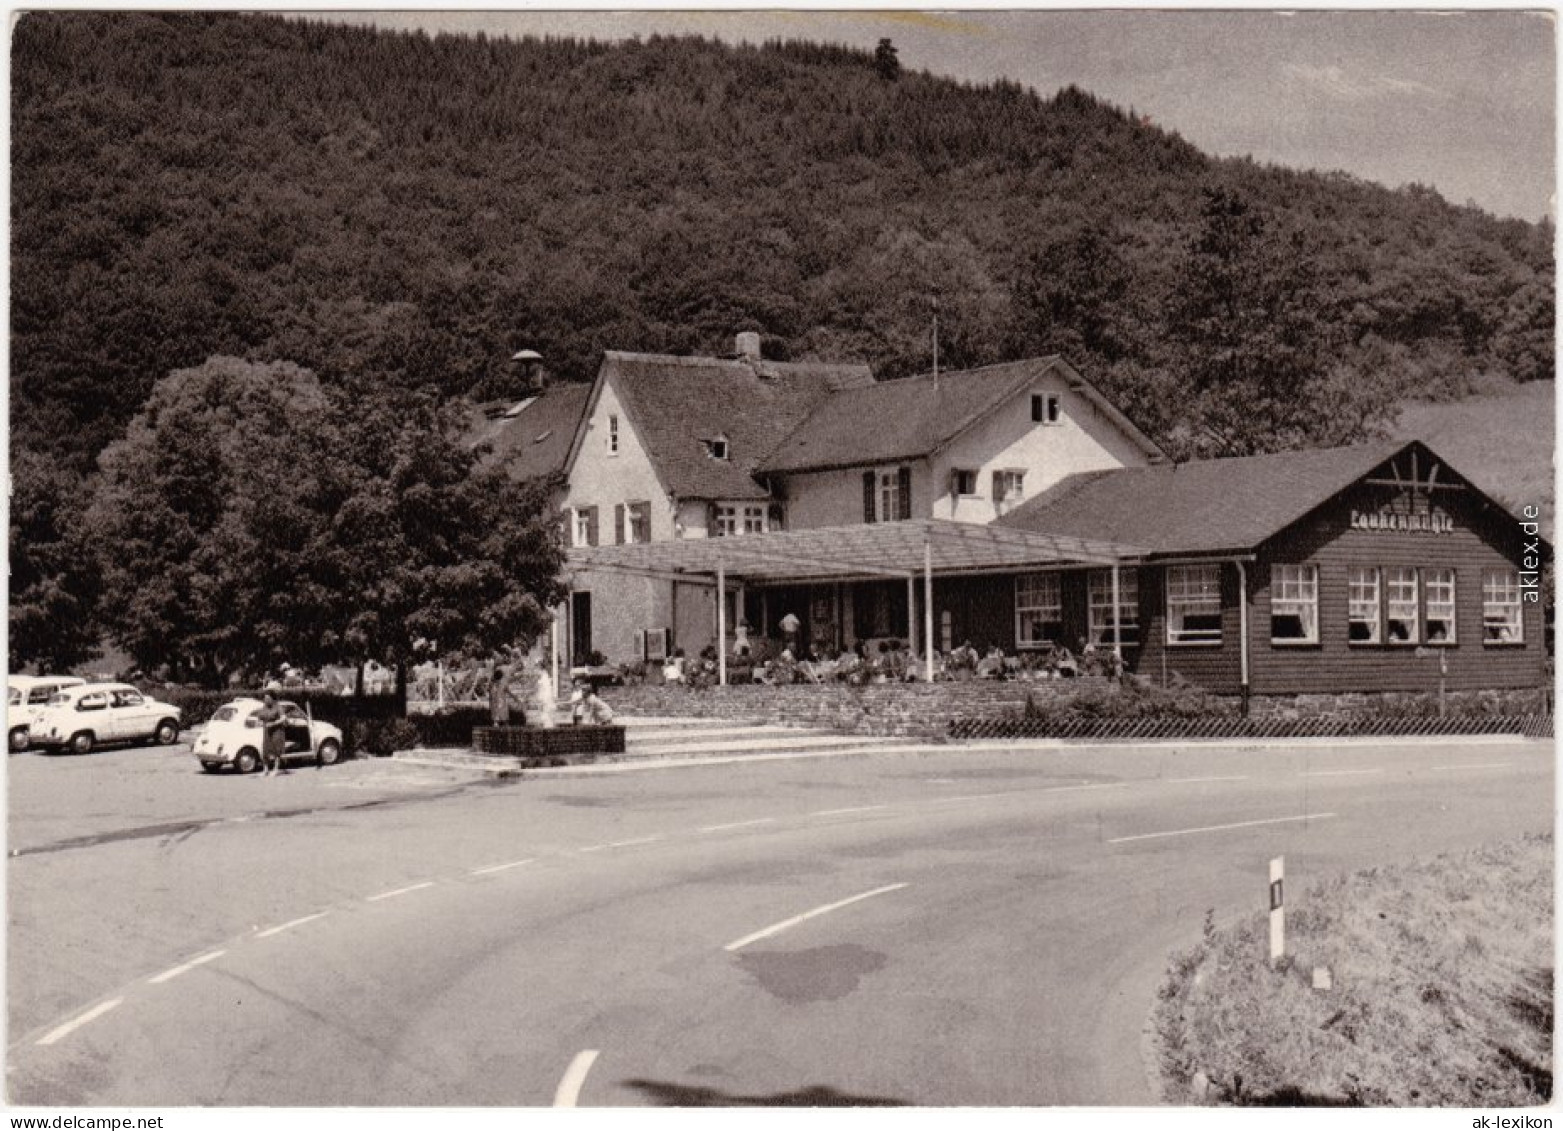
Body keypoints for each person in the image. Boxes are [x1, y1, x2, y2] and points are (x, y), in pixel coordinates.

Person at [255, 691, 288, 776]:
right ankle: (265, 770)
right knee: (265, 750)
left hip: (277, 731)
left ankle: (275, 769)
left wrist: (274, 723)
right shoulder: (264, 707)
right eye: (265, 698)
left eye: (268, 698)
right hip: (267, 731)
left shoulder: (278, 707)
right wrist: (259, 723)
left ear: (272, 699)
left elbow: (284, 718)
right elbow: (259, 718)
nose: (266, 700)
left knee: (277, 750)